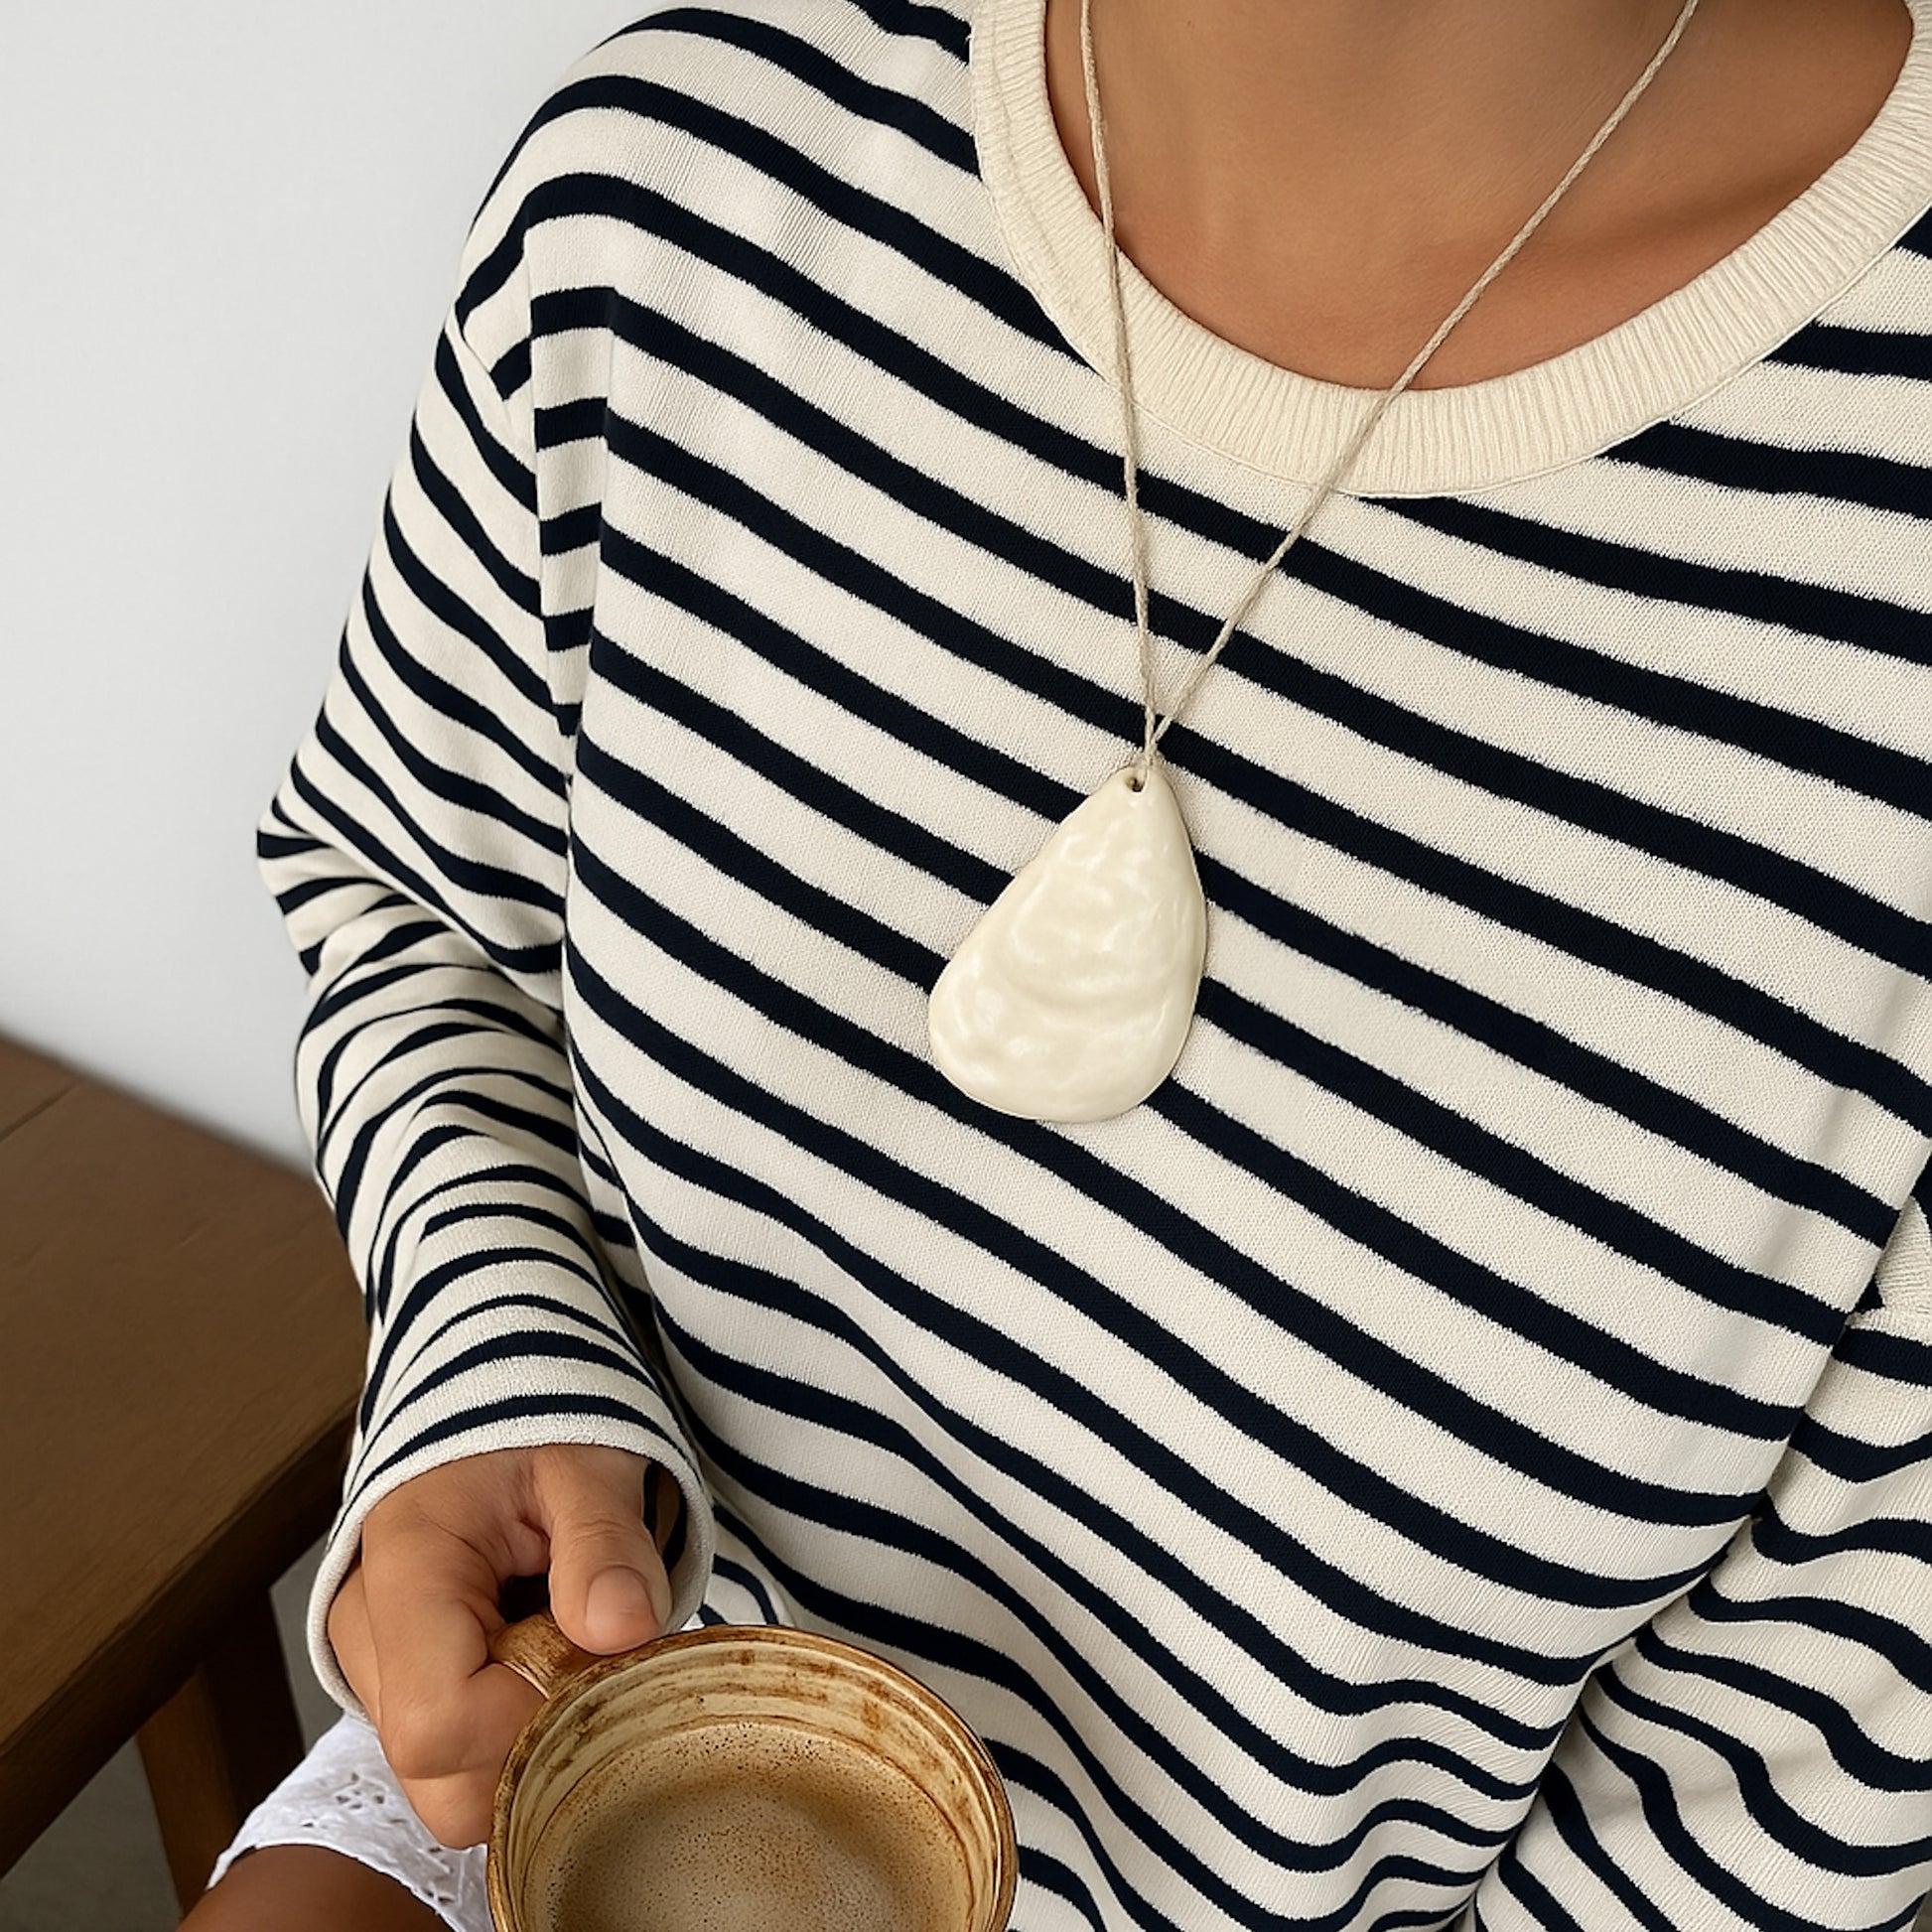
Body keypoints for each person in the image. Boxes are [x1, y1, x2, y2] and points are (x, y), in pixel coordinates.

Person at [182, 0, 1932, 1924]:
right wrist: (498, 1358)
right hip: (589, 1770)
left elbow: (1750, 1825)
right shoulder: (674, 189)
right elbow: (418, 911)